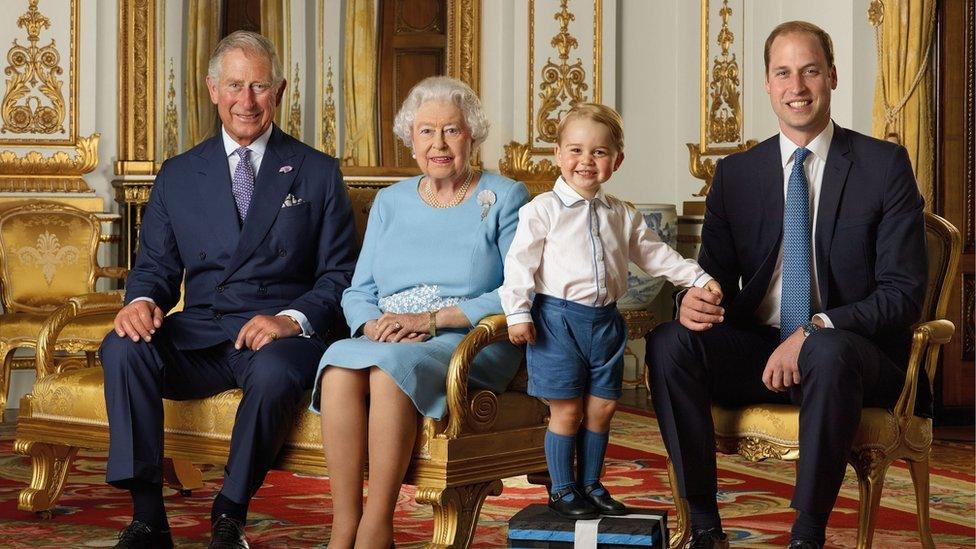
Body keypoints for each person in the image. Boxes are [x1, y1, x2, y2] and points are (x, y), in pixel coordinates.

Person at [645, 21, 927, 549]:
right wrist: (692, 303)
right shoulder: (736, 174)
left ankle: (806, 535)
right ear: (768, 85)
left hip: (853, 354)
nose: (796, 86)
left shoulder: (882, 166)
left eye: (810, 71)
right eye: (783, 73)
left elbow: (902, 293)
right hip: (761, 350)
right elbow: (715, 278)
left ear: (832, 78)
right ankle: (704, 525)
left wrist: (816, 328)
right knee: (669, 341)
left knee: (828, 350)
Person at [99, 31, 357, 549]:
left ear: (279, 92)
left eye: (259, 86)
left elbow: (340, 276)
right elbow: (154, 267)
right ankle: (148, 517)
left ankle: (229, 514)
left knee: (279, 368)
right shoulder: (177, 174)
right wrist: (141, 302)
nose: (247, 101)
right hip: (202, 331)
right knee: (121, 347)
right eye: (235, 86)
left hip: (278, 334)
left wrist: (293, 319)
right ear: (213, 89)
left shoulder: (318, 172)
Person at [311, 75, 529, 548]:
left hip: (466, 340)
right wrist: (372, 324)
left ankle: (376, 525)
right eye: (426, 131)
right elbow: (358, 289)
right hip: (388, 336)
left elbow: (517, 290)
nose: (439, 144)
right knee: (337, 367)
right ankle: (345, 522)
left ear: (472, 134)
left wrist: (432, 321)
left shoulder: (504, 196)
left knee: (388, 370)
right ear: (411, 141)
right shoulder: (390, 201)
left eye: (451, 130)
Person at [500, 103, 722, 519]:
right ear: (558, 155)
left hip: (605, 323)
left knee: (601, 407)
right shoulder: (541, 210)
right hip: (557, 322)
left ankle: (591, 483)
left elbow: (655, 254)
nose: (586, 161)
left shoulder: (620, 213)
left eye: (599, 153)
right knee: (566, 409)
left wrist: (695, 277)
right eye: (576, 150)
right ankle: (562, 489)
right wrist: (518, 313)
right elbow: (519, 264)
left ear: (616, 161)